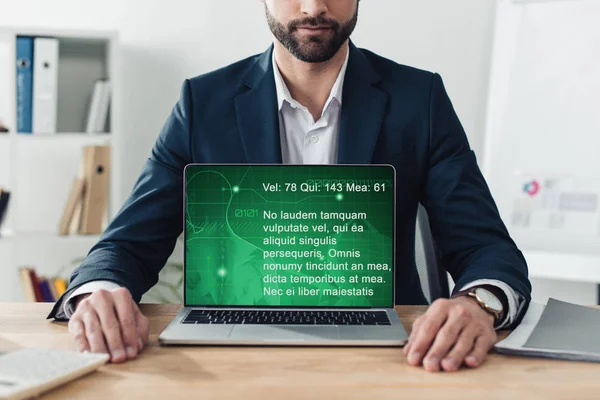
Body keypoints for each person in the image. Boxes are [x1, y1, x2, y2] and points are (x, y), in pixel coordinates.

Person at [48, 0, 531, 372]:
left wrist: (478, 304)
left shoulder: (418, 99)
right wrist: (100, 293)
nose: (314, 7)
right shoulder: (203, 103)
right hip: (231, 363)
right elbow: (125, 246)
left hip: (393, 359)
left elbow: (486, 246)